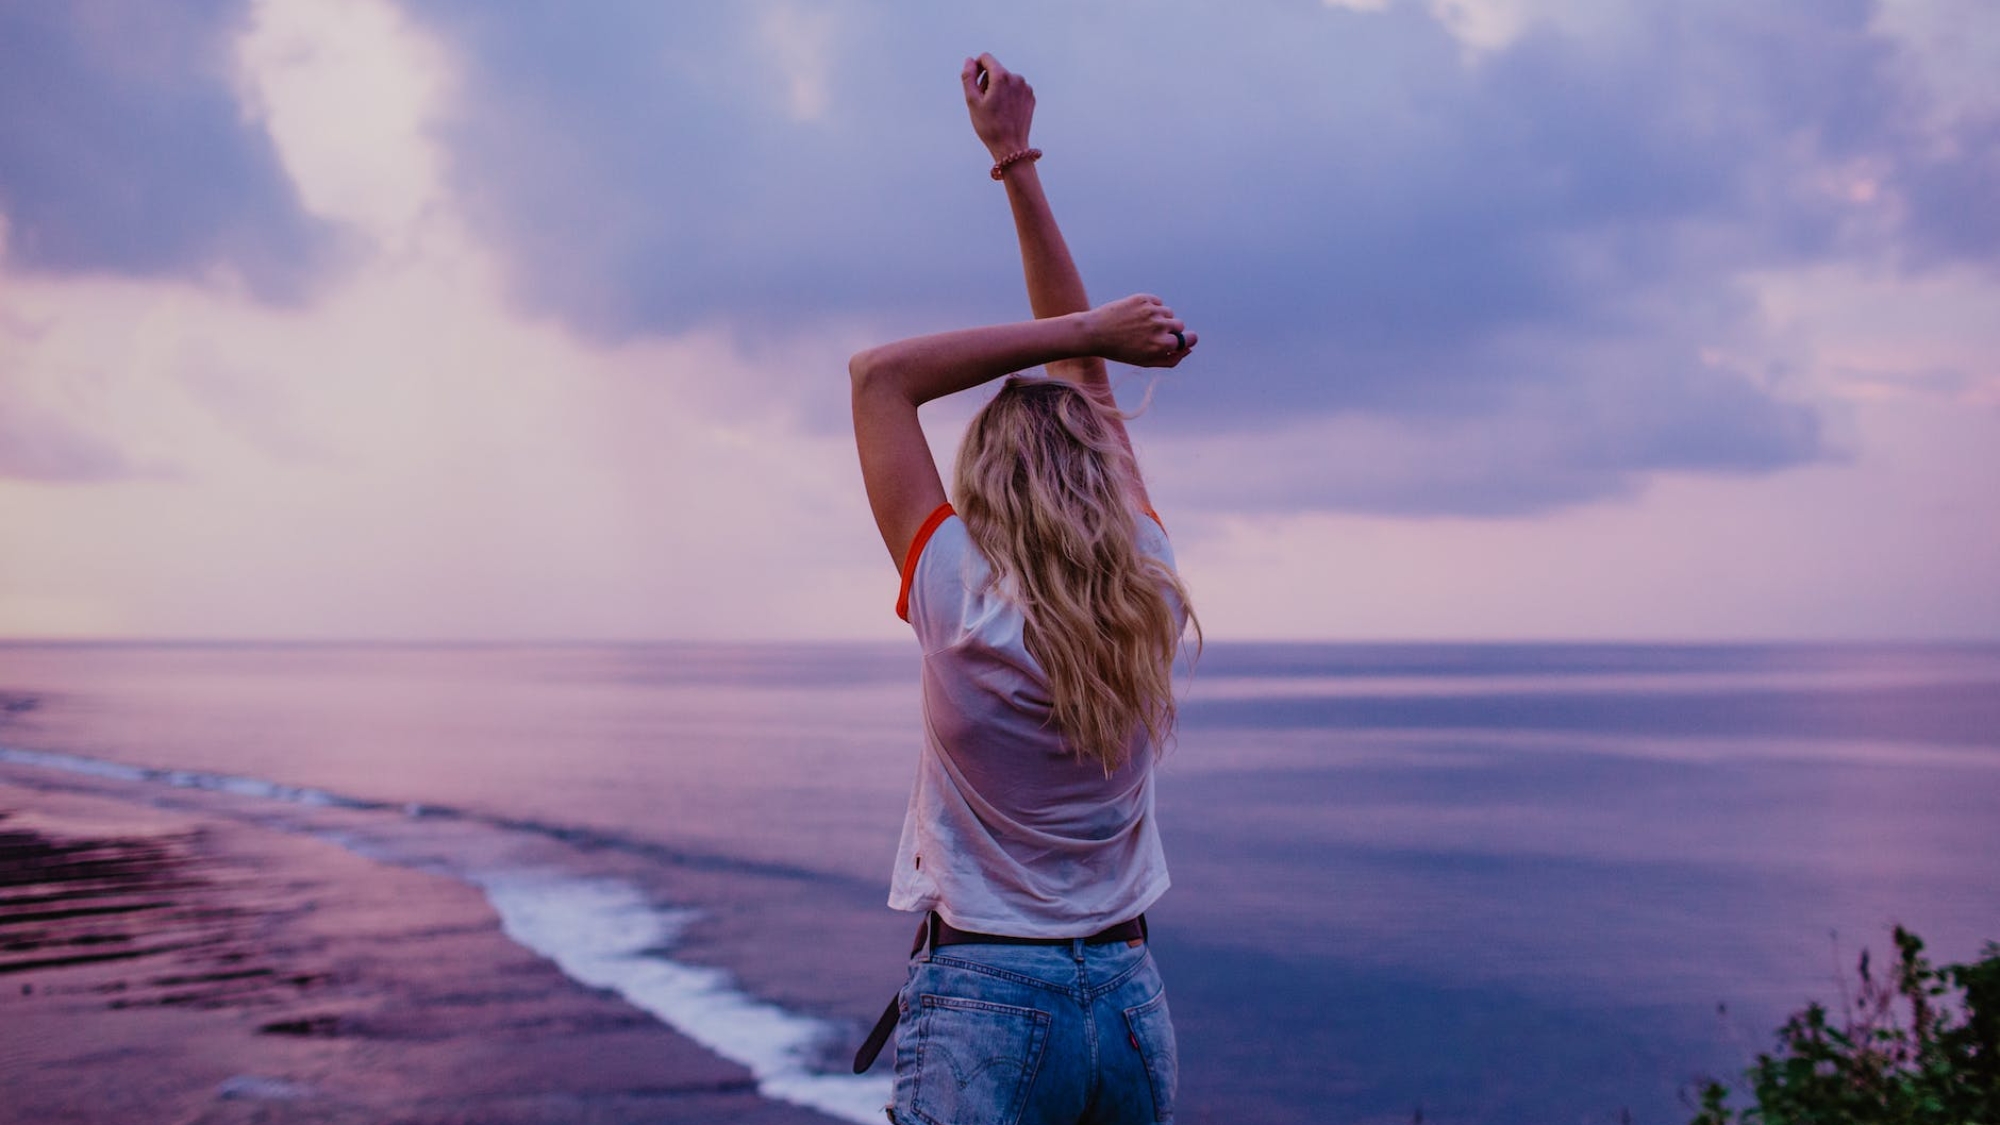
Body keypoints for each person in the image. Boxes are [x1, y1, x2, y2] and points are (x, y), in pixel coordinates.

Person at [846, 53, 1201, 1125]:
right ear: (1099, 477)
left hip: (988, 1002)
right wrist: (1017, 161)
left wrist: (1082, 334)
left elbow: (878, 379)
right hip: (1130, 1007)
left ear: (980, 492)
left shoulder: (956, 594)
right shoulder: (1147, 582)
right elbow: (1084, 389)